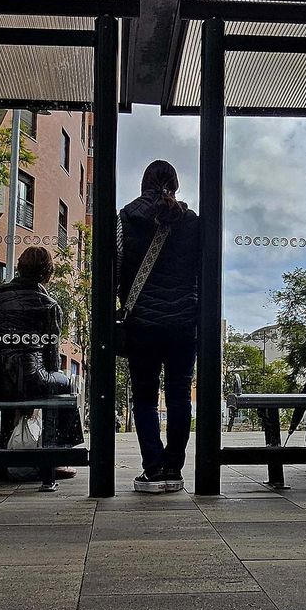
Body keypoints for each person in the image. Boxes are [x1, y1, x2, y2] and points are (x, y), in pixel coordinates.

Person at [118, 160, 201, 493]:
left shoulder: (127, 218)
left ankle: (153, 470)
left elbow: (117, 265)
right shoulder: (192, 222)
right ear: (176, 185)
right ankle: (174, 469)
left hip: (143, 324)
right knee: (180, 395)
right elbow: (202, 270)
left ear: (144, 184)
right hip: (184, 323)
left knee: (146, 399)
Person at [0, 246, 82, 466]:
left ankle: (7, 450)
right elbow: (52, 361)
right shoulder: (49, 304)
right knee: (66, 384)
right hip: (24, 380)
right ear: (47, 274)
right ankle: (57, 454)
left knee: (16, 380)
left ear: (19, 268)